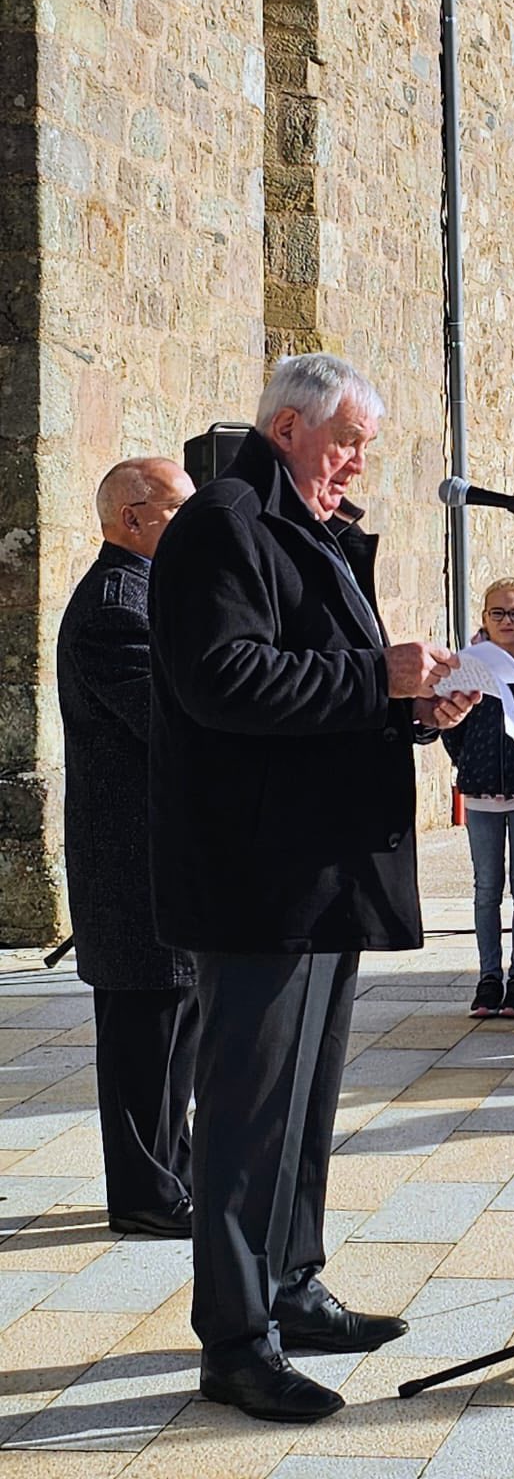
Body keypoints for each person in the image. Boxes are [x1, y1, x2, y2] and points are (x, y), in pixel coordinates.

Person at [148, 354, 479, 1423]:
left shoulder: (311, 525)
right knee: (245, 1116)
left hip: (318, 867)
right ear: (286, 427)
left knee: (304, 1101)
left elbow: (322, 685)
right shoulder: (224, 524)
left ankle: (292, 1283)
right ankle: (236, 1341)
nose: (357, 460)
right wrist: (375, 678)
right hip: (256, 874)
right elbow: (222, 679)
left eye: (364, 443)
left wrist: (409, 709)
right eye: (345, 439)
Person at [58, 456, 197, 1238]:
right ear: (133, 517)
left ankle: (172, 1175)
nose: (192, 519)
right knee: (143, 1032)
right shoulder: (118, 605)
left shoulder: (148, 593)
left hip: (160, 856)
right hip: (129, 862)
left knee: (177, 1022)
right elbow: (165, 723)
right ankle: (145, 1193)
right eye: (179, 508)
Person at [442, 577, 514, 1019]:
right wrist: (470, 762)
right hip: (481, 793)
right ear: (484, 618)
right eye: (498, 613)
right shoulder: (469, 664)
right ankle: (489, 977)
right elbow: (453, 724)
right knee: (486, 888)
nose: (507, 621)